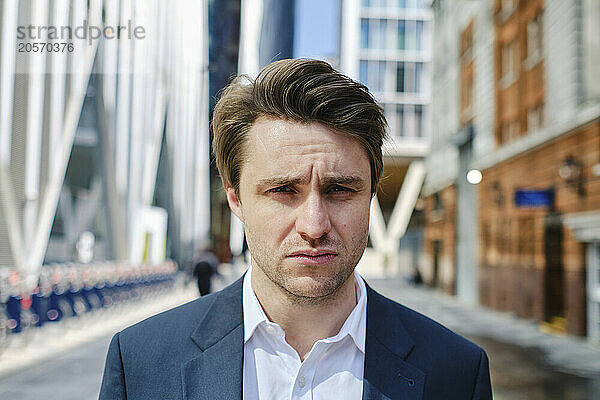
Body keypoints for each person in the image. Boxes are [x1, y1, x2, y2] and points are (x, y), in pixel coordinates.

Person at [99, 59, 492, 399]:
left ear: (371, 193)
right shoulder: (140, 364)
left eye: (340, 190)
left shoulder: (456, 372)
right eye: (283, 190)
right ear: (235, 198)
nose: (314, 225)